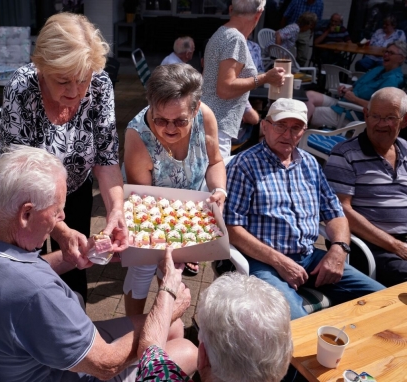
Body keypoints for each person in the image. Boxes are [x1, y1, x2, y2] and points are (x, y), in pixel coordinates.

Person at [0, 146, 197, 382]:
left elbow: (18, 274)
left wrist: (70, 258)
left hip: (16, 355)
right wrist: (168, 301)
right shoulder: (36, 294)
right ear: (26, 214)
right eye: (56, 211)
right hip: (63, 371)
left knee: (171, 327)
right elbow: (106, 366)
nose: (62, 218)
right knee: (186, 350)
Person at [0, 13, 128, 303]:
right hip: (24, 201)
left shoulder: (100, 84)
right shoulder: (22, 87)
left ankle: (73, 327)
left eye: (82, 80)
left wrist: (116, 210)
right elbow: (20, 177)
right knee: (26, 270)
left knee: (76, 262)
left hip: (74, 188)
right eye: (63, 80)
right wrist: (60, 229)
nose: (75, 91)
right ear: (42, 67)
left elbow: (106, 159)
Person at [223, 98, 385, 320]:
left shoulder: (310, 164)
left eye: (296, 128)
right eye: (280, 125)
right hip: (265, 261)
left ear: (304, 132)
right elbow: (232, 227)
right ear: (265, 126)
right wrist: (280, 261)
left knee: (383, 300)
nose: (288, 134)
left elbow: (336, 214)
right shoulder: (244, 165)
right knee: (297, 321)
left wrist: (338, 250)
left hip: (310, 258)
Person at [123, 63, 227, 316]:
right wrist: (175, 244)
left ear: (195, 109)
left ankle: (166, 323)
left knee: (171, 275)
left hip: (186, 210)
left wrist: (219, 189)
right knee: (142, 269)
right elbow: (145, 206)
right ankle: (131, 325)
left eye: (180, 121)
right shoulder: (137, 136)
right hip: (150, 211)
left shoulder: (206, 117)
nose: (169, 129)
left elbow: (215, 161)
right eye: (160, 120)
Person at [136, 273, 293, 382]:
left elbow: (149, 345)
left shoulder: (159, 377)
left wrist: (168, 286)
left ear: (203, 356)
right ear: (284, 358)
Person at [325, 88, 407, 287]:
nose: (381, 124)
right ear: (366, 115)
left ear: (404, 121)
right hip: (374, 247)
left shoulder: (405, 148)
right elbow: (341, 210)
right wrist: (396, 245)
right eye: (375, 116)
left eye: (390, 117)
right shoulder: (346, 154)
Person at [201, 0, 285, 157]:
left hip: (210, 122)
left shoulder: (223, 32)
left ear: (232, 9)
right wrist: (265, 78)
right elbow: (225, 89)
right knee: (215, 180)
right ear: (259, 14)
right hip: (217, 126)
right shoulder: (234, 39)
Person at [306, 40, 406, 129]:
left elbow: (379, 108)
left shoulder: (393, 81)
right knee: (309, 96)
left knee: (308, 111)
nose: (386, 54)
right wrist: (347, 89)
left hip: (353, 115)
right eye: (386, 51)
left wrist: (354, 99)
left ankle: (301, 137)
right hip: (343, 104)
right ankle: (308, 135)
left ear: (401, 58)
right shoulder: (379, 69)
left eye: (391, 53)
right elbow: (357, 86)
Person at [281, 0, 324, 66]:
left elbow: (318, 20)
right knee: (290, 53)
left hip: (305, 31)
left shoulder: (320, 3)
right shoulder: (296, 1)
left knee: (303, 56)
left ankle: (299, 71)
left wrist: (310, 32)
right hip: (293, 29)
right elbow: (285, 15)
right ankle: (287, 69)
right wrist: (283, 29)